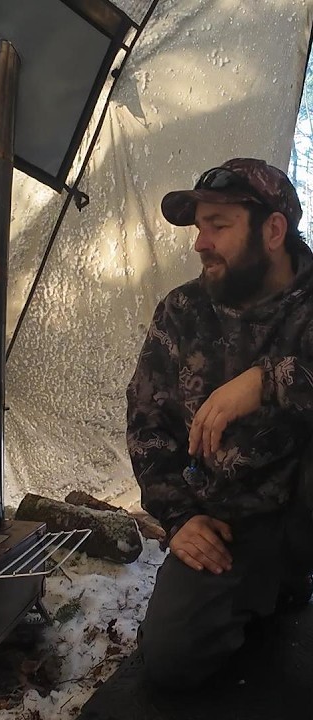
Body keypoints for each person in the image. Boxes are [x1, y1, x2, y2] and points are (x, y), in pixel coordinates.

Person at [127, 157, 313, 688]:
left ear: (273, 230)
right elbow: (147, 422)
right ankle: (267, 589)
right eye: (199, 227)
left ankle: (287, 576)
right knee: (171, 663)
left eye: (219, 226)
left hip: (304, 510)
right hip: (230, 522)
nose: (200, 243)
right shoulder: (182, 312)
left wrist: (267, 381)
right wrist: (180, 517)